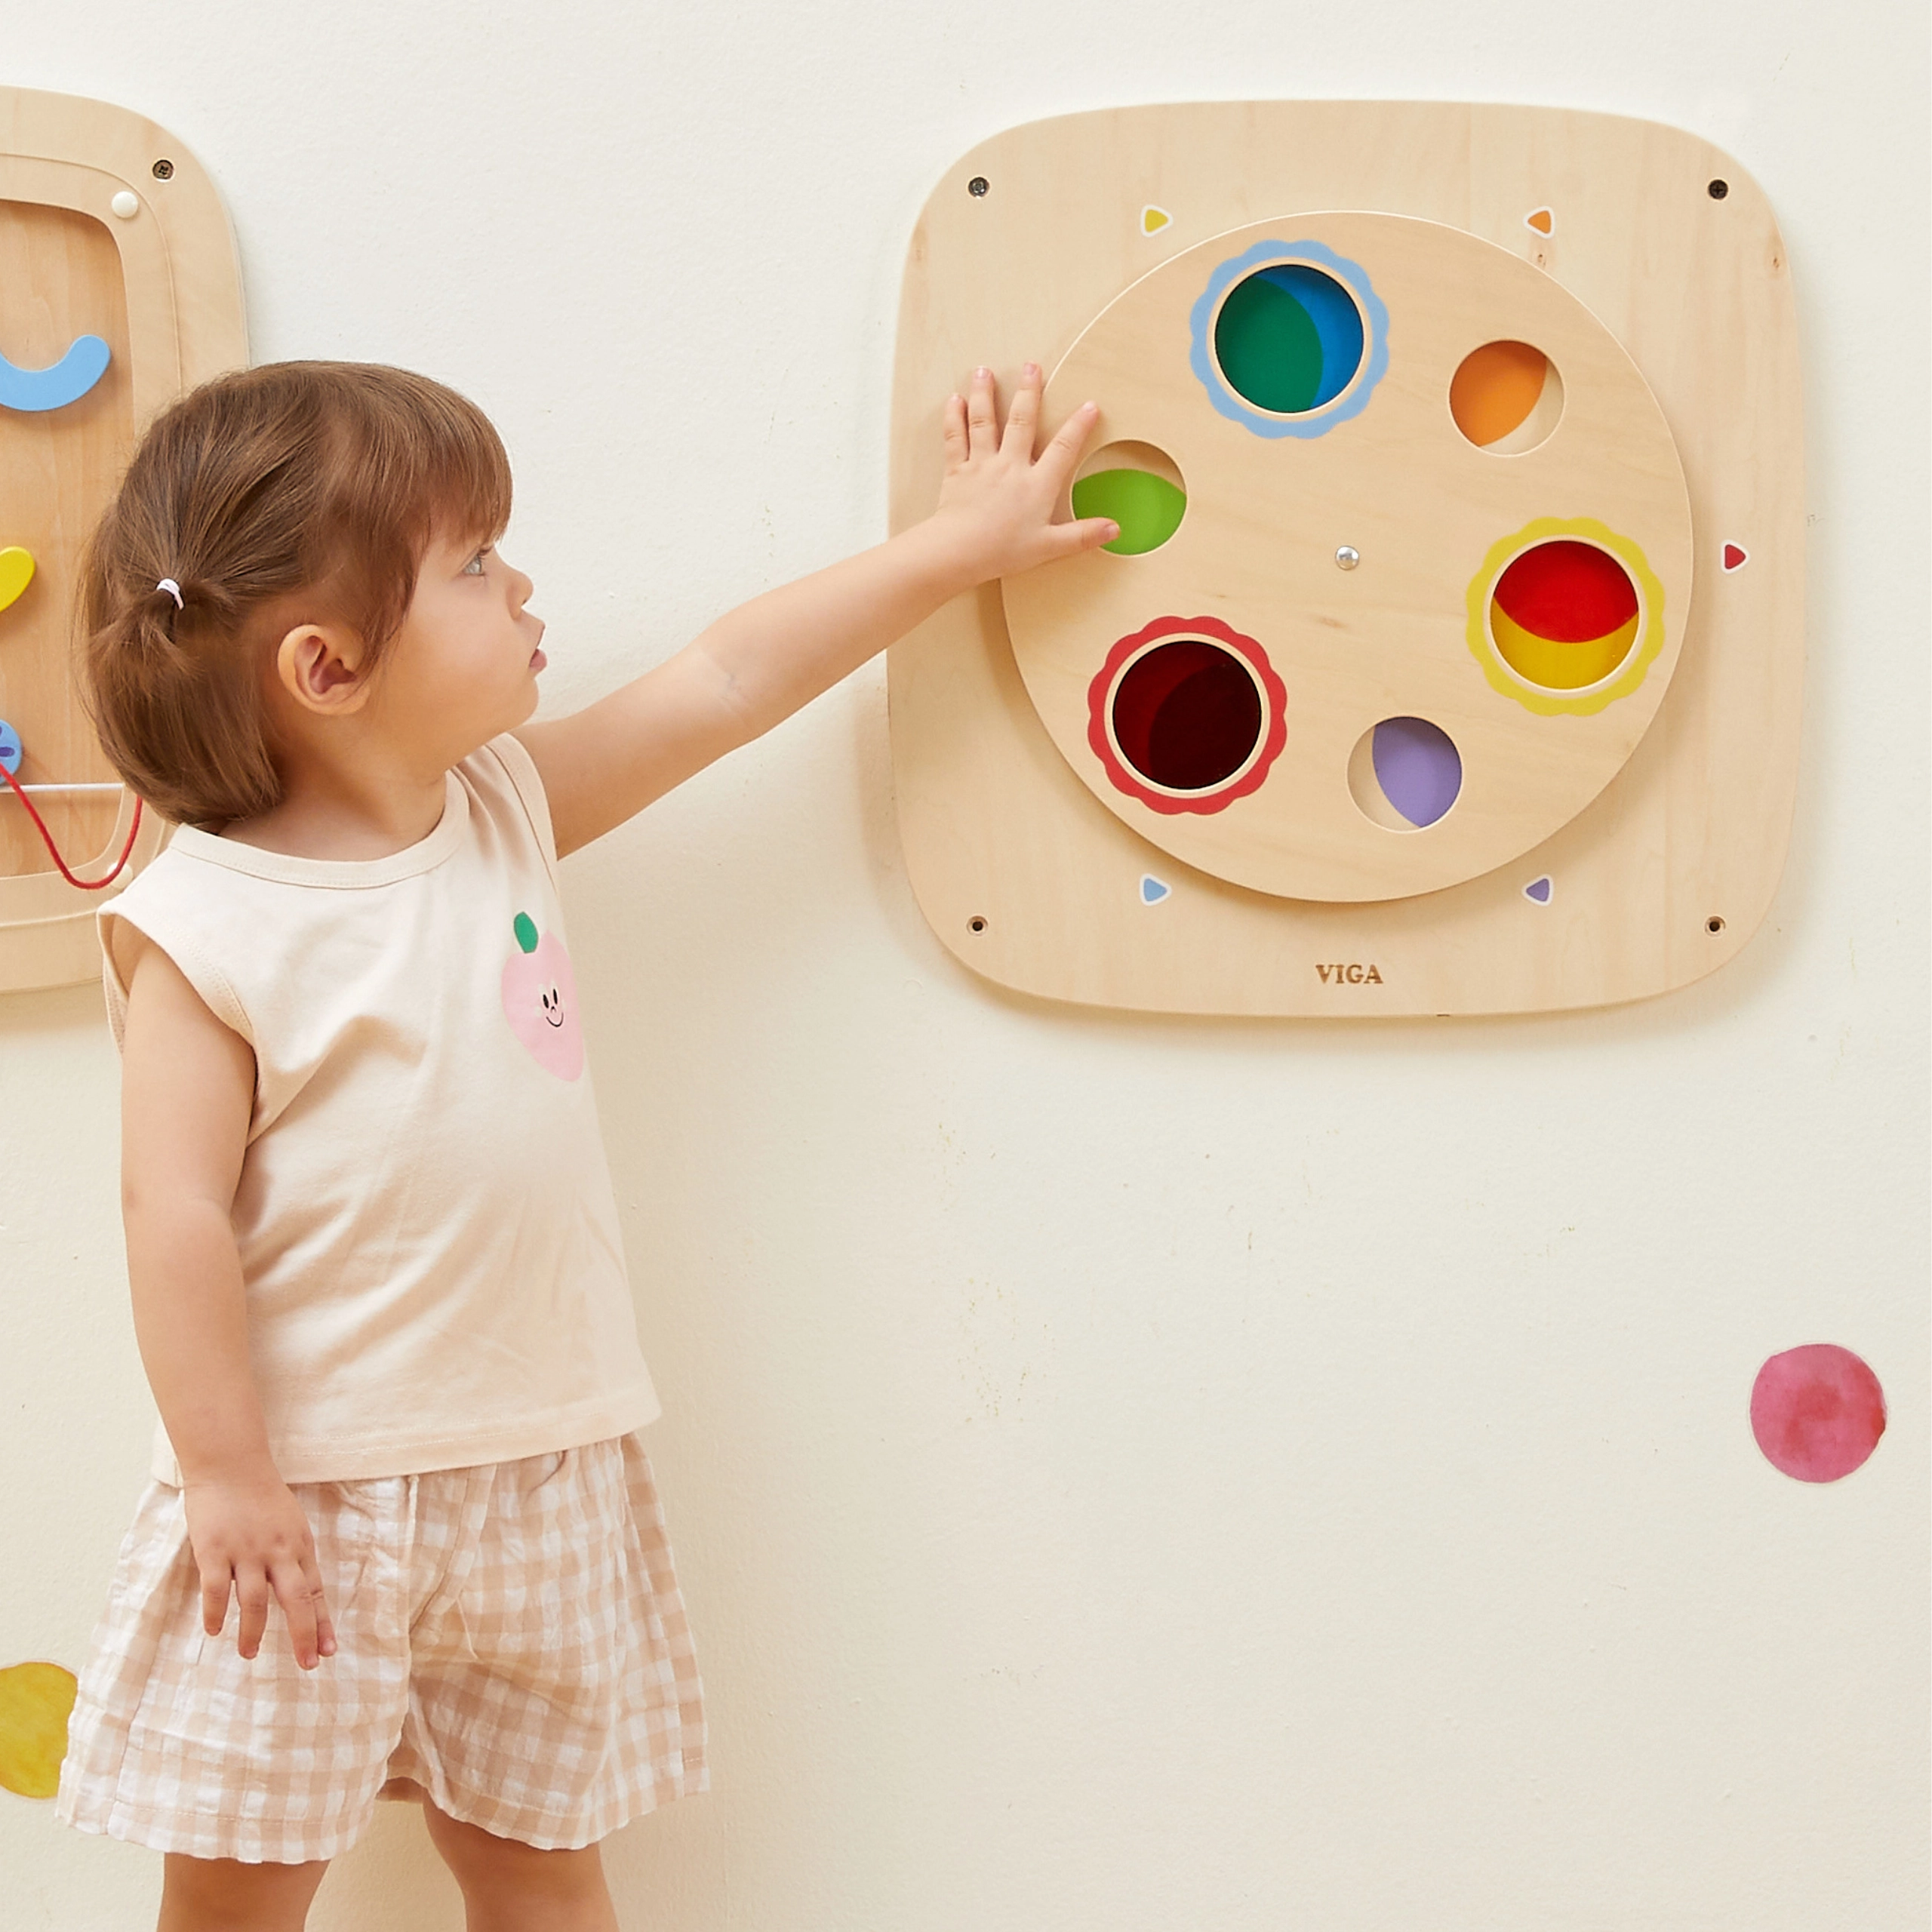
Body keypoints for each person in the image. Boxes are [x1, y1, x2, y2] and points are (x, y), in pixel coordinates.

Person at [54, 358, 1115, 1931]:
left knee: (542, 1867)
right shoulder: (207, 924)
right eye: (474, 562)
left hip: (540, 1470)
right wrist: (224, 1470)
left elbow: (725, 681)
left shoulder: (501, 811)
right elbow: (172, 1214)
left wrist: (953, 548)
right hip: (302, 1502)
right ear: (327, 666)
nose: (523, 585)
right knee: (240, 1891)